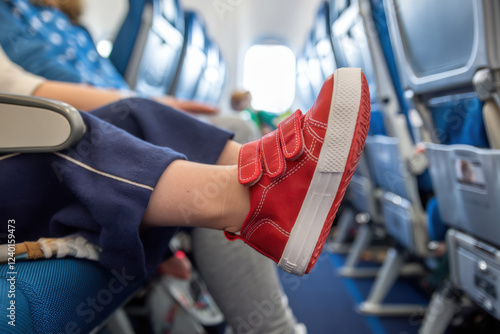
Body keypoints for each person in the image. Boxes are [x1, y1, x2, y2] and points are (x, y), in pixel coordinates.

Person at [0, 0, 219, 115]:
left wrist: (141, 100)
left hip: (118, 101)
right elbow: (43, 73)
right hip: (91, 111)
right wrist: (143, 103)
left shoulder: (75, 27)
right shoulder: (11, 12)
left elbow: (106, 76)